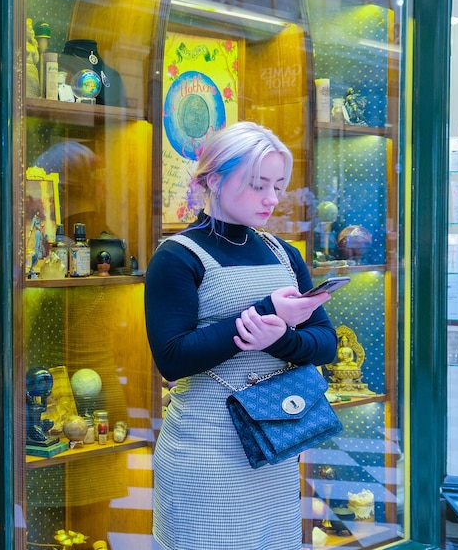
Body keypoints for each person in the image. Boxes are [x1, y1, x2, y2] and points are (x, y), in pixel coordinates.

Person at [144, 121, 338, 550]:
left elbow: (327, 344)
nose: (271, 199)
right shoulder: (177, 257)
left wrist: (279, 339)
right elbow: (172, 358)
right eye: (257, 185)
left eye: (278, 186)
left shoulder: (283, 252)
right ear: (214, 179)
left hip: (277, 442)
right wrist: (269, 313)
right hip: (207, 450)